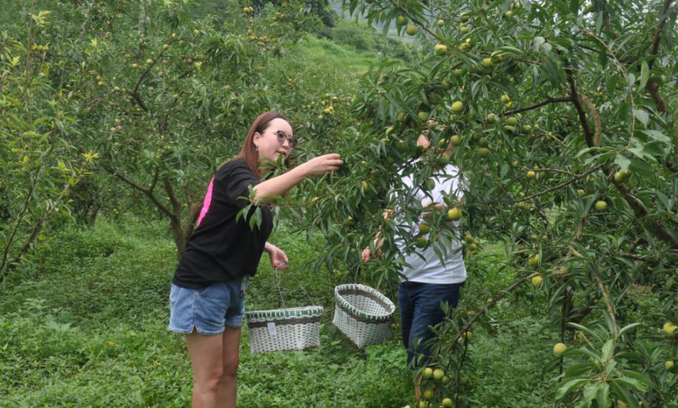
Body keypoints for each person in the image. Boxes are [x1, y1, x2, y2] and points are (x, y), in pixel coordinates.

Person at [169, 111, 342, 408]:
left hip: (233, 286)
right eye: (280, 135)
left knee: (229, 370)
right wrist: (306, 169)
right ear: (256, 137)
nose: (287, 144)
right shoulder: (235, 170)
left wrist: (267, 246)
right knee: (209, 378)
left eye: (291, 139)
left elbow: (220, 221)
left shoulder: (255, 178)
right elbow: (253, 196)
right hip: (204, 285)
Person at [361, 132, 466, 376]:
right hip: (407, 276)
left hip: (440, 279)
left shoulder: (454, 175)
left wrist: (434, 208)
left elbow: (453, 206)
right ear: (418, 139)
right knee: (413, 345)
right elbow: (391, 210)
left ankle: (426, 399)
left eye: (443, 137)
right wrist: (376, 241)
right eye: (428, 135)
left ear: (452, 144)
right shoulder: (406, 170)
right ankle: (431, 394)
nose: (435, 143)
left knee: (419, 353)